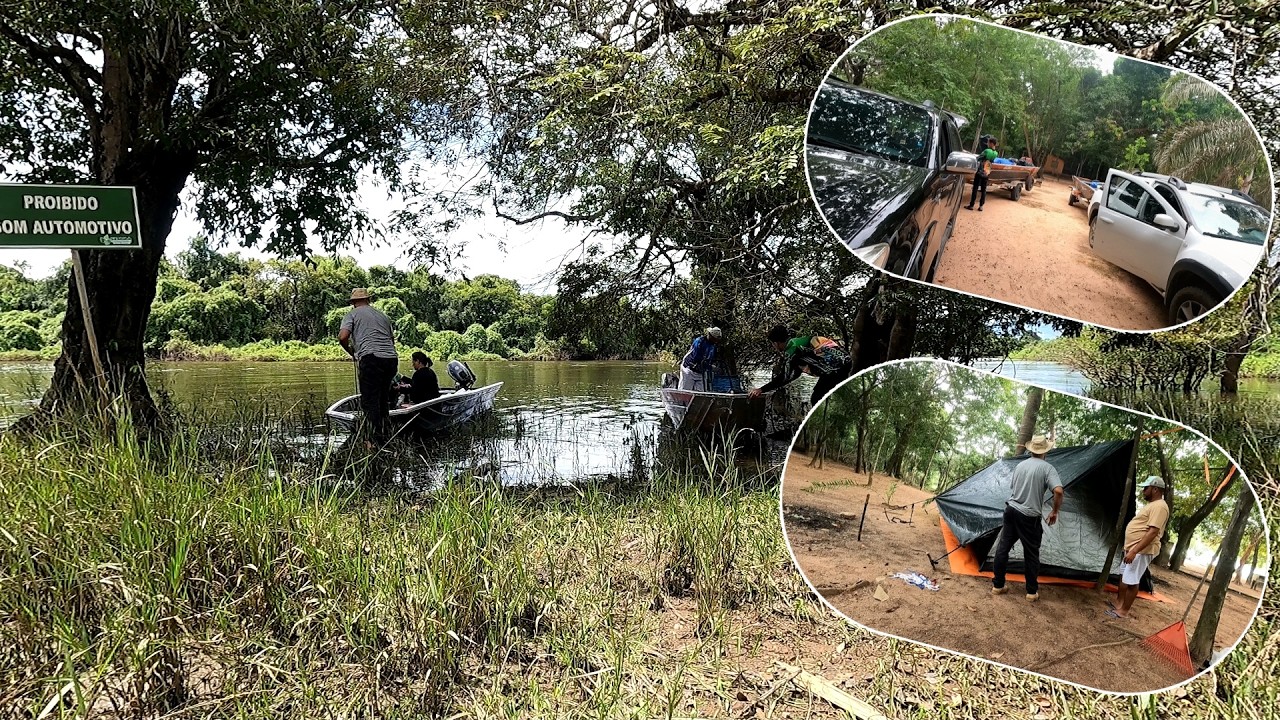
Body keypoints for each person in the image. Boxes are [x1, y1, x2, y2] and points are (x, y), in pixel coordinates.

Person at [991, 434, 1064, 602]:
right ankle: (1031, 592)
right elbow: (1059, 491)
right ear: (1045, 451)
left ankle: (998, 586)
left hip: (1011, 510)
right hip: (1029, 517)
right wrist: (1054, 511)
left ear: (1031, 450)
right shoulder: (1047, 468)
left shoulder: (1020, 465)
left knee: (1003, 548)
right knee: (1031, 554)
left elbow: (1014, 489)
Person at [338, 288, 400, 445]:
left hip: (371, 358)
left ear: (353, 302)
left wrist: (352, 352)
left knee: (370, 401)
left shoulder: (352, 314)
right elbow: (391, 340)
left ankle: (373, 441)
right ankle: (385, 435)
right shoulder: (383, 316)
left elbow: (343, 337)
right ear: (368, 300)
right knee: (382, 399)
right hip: (391, 359)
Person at [1109, 476, 1171, 620]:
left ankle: (1123, 611)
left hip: (1142, 550)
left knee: (1132, 580)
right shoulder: (1153, 505)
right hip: (1133, 549)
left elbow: (1153, 531)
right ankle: (1119, 603)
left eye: (1146, 488)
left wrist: (1134, 551)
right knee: (1124, 575)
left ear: (1155, 489)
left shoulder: (1160, 507)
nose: (1143, 491)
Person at [747, 325, 851, 406]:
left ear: (776, 343)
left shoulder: (792, 349)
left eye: (773, 344)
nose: (774, 347)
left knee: (817, 398)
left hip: (835, 370)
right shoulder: (799, 343)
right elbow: (795, 373)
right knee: (824, 396)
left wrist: (760, 390)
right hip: (846, 363)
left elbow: (785, 377)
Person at [965, 135, 1000, 212]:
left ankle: (971, 205)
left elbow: (978, 158)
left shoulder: (986, 151)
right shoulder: (996, 153)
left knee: (975, 188)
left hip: (980, 171)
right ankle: (981, 206)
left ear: (991, 143)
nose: (987, 144)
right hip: (987, 172)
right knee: (984, 189)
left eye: (988, 143)